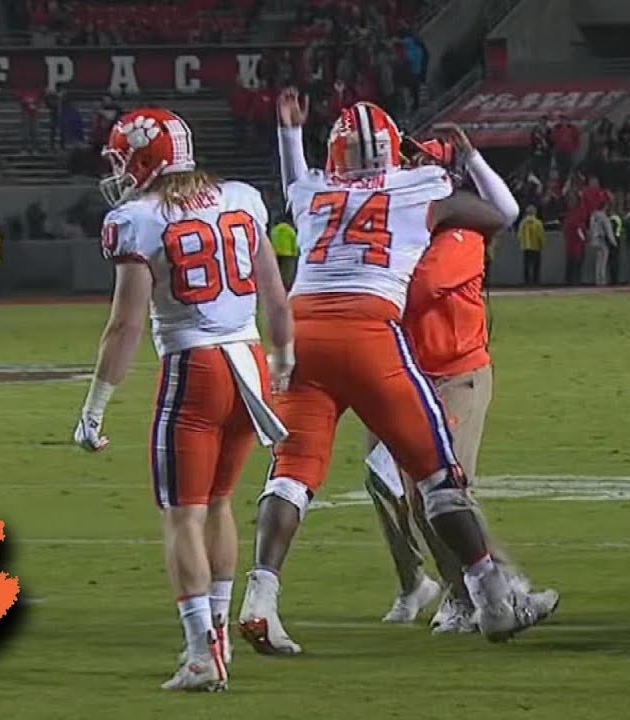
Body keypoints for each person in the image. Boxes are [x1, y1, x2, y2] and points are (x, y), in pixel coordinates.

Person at [238, 91, 558, 655]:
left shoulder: (313, 189)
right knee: (438, 475)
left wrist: (289, 133)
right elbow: (498, 215)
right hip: (367, 330)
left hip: (299, 332)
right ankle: (490, 597)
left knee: (290, 475)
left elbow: (294, 185)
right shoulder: (422, 189)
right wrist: (452, 190)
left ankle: (260, 600)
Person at [73, 108, 294, 692]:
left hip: (194, 367)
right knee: (219, 504)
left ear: (145, 161)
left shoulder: (139, 218)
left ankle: (201, 651)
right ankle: (217, 639)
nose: (118, 173)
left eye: (123, 160)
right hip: (248, 363)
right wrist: (284, 355)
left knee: (183, 515)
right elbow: (275, 292)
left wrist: (94, 406)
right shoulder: (242, 198)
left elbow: (123, 327)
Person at [364, 130, 530, 634]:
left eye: (420, 168)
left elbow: (421, 288)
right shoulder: (406, 229)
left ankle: (493, 587)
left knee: (444, 492)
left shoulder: (460, 235)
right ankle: (447, 588)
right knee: (396, 489)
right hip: (403, 373)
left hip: (455, 376)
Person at [517, 204, 545, 285]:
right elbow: (541, 235)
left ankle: (527, 282)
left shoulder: (523, 223)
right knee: (536, 265)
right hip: (536, 247)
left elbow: (519, 235)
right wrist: (542, 245)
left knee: (527, 265)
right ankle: (535, 281)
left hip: (526, 246)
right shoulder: (537, 223)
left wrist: (522, 243)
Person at [588, 205, 616, 286]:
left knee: (598, 261)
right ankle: (602, 280)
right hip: (602, 239)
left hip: (595, 240)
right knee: (603, 262)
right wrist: (613, 242)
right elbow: (608, 230)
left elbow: (591, 228)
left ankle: (598, 280)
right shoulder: (603, 217)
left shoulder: (593, 216)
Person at [269, 214, 299, 289]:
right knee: (288, 271)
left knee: (278, 271)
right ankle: (286, 286)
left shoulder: (274, 229)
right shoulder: (289, 229)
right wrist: (296, 252)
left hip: (276, 253)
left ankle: (277, 286)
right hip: (288, 253)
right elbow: (294, 240)